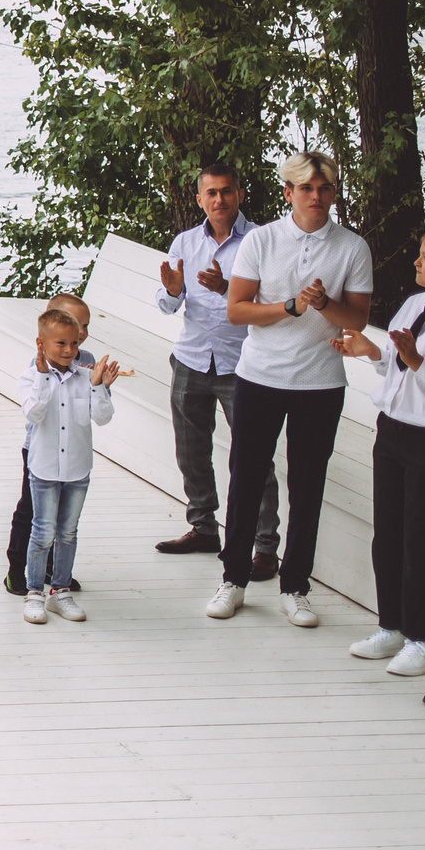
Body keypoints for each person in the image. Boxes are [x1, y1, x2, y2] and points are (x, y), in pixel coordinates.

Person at [209, 151, 375, 627]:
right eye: (306, 188)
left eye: (324, 188)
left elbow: (358, 318)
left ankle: (296, 588)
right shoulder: (261, 240)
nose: (316, 196)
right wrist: (291, 306)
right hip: (259, 377)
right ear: (288, 192)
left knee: (307, 486)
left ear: (334, 193)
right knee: (246, 479)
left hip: (321, 383)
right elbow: (237, 310)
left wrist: (324, 304)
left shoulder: (352, 247)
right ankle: (233, 580)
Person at [330, 224, 425, 678]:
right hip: (393, 430)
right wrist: (373, 352)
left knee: (423, 537)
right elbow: (398, 371)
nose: (416, 262)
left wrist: (416, 360)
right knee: (389, 533)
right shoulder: (415, 304)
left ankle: (422, 640)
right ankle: (391, 627)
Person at [153, 165, 280, 578]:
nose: (219, 199)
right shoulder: (185, 242)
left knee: (254, 458)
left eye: (226, 191)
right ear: (199, 199)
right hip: (191, 358)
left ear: (240, 194)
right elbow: (167, 304)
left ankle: (265, 547)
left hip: (244, 365)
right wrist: (174, 289)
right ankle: (203, 528)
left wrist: (227, 288)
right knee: (191, 452)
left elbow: (272, 303)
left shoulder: (261, 241)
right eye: (211, 193)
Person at [18, 307, 123, 625]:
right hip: (44, 468)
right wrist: (42, 376)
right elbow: (34, 414)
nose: (69, 350)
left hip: (77, 469)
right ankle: (34, 593)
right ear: (41, 344)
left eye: (74, 343)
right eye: (61, 343)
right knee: (42, 532)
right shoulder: (30, 377)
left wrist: (99, 386)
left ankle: (60, 592)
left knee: (68, 532)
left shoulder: (86, 378)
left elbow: (102, 417)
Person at [3, 291, 99, 595]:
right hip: (40, 449)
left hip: (71, 450)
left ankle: (52, 568)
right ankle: (16, 568)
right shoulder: (39, 364)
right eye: (74, 324)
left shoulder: (87, 360)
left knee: (63, 515)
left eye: (85, 326)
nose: (80, 333)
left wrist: (99, 386)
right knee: (31, 510)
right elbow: (35, 408)